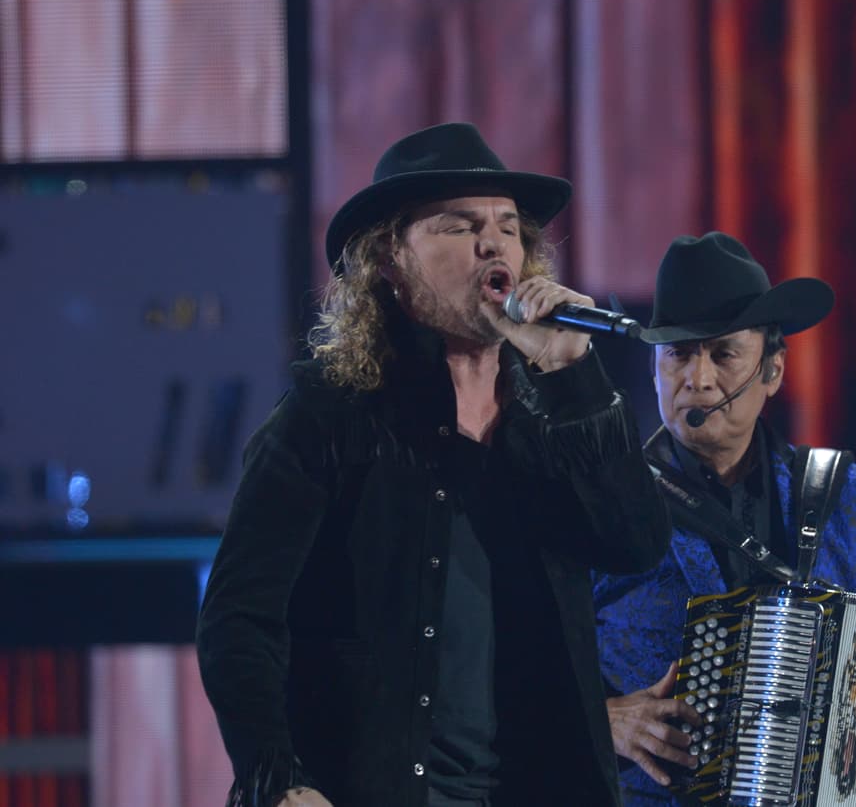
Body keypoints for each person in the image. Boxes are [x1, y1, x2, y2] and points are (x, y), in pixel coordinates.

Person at [196, 122, 670, 807]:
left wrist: (573, 373)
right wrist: (278, 778)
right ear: (391, 259)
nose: (493, 243)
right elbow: (239, 618)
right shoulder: (331, 416)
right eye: (458, 226)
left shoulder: (551, 412)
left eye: (508, 227)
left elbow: (636, 542)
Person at [593, 232, 856, 805]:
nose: (697, 378)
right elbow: (512, 682)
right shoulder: (595, 503)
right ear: (653, 368)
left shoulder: (855, 501)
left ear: (772, 371)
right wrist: (602, 721)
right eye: (677, 352)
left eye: (722, 353)